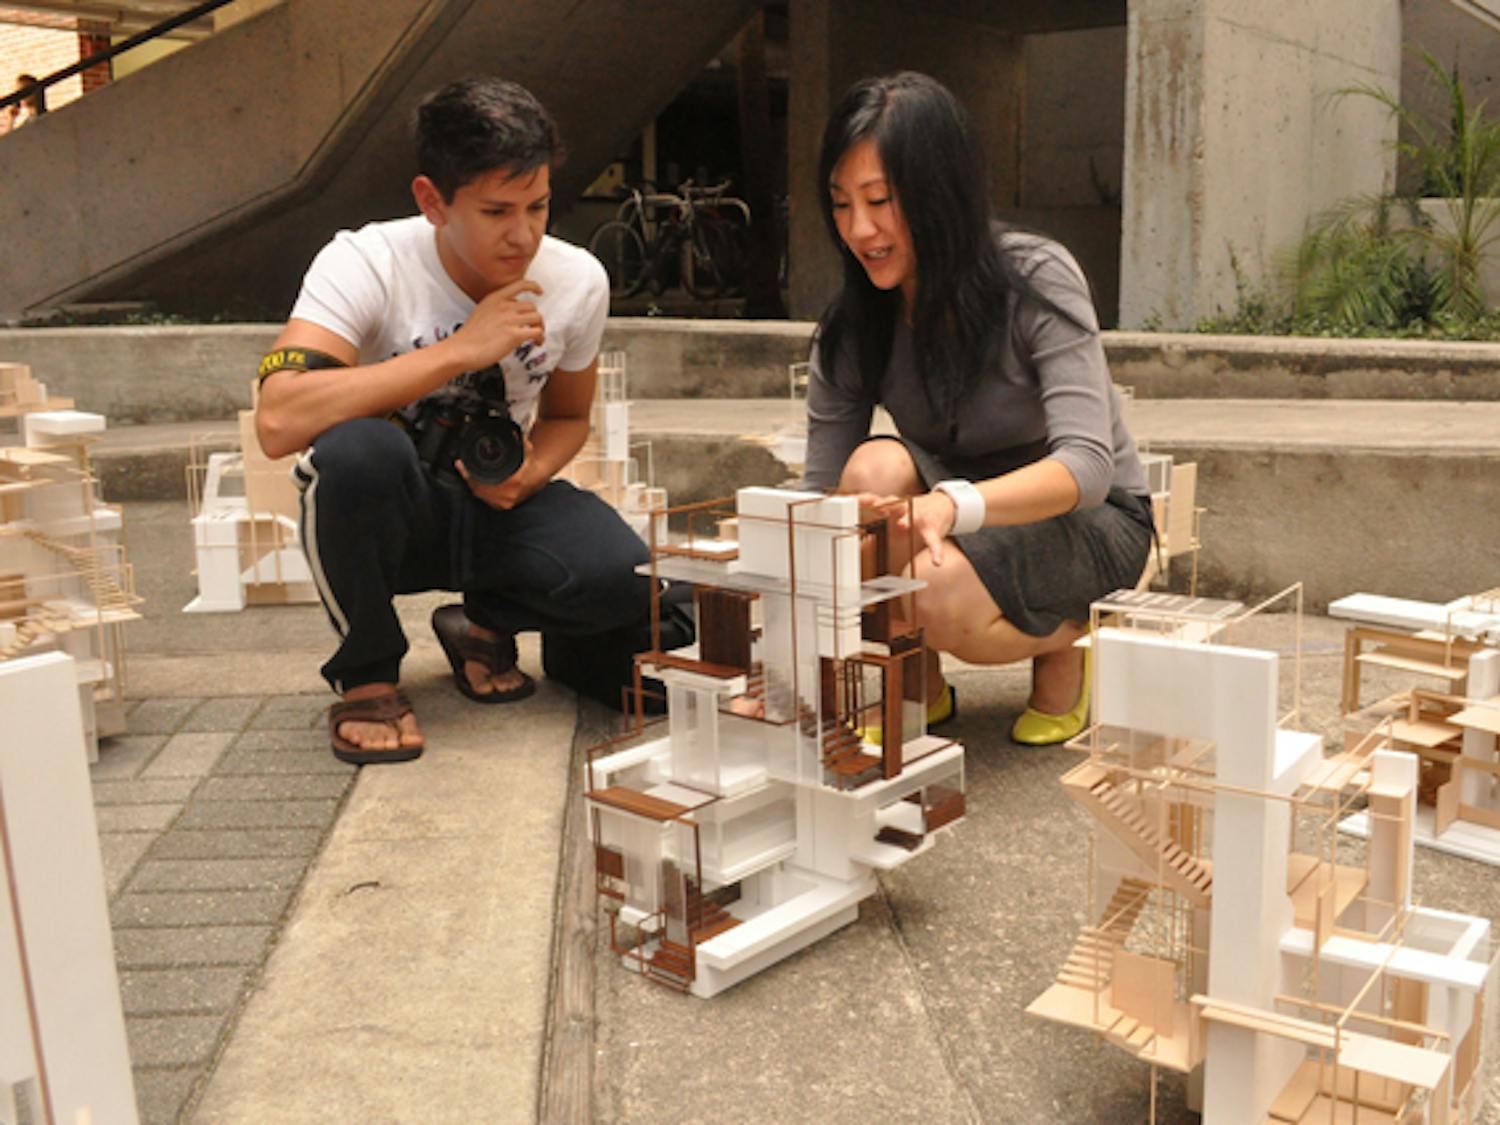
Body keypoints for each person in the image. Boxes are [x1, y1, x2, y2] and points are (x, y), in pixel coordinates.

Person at [256, 77, 651, 764]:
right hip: (389, 511)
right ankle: (369, 675)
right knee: (357, 453)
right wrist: (459, 352)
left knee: (621, 576)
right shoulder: (365, 261)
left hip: (494, 504)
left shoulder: (577, 280)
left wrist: (530, 475)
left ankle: (481, 624)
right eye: (497, 210)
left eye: (539, 205)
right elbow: (279, 417)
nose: (523, 234)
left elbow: (566, 416)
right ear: (431, 201)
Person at [803, 72, 1153, 746]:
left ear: (941, 195)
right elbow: (820, 495)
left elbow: (1086, 467)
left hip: (1089, 519)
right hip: (959, 513)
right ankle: (920, 686)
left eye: (880, 200)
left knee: (928, 590)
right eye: (841, 204)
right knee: (868, 480)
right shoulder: (855, 324)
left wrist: (949, 507)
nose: (860, 229)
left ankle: (1069, 635)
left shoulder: (1036, 278)